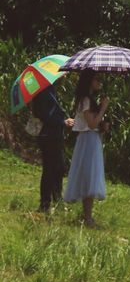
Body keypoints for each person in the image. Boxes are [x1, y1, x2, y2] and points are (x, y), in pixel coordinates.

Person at [63, 70, 108, 228]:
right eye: (97, 78)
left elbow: (94, 124)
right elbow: (91, 124)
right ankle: (87, 218)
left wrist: (103, 125)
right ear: (90, 80)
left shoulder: (89, 99)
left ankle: (87, 216)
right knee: (88, 177)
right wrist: (103, 108)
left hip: (91, 139)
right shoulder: (86, 100)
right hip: (88, 140)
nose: (99, 81)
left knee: (89, 177)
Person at [30, 84, 70, 212]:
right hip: (47, 135)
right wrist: (62, 122)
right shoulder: (42, 90)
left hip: (54, 134)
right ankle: (45, 204)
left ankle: (57, 199)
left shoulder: (50, 88)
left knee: (58, 168)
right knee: (49, 169)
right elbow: (43, 114)